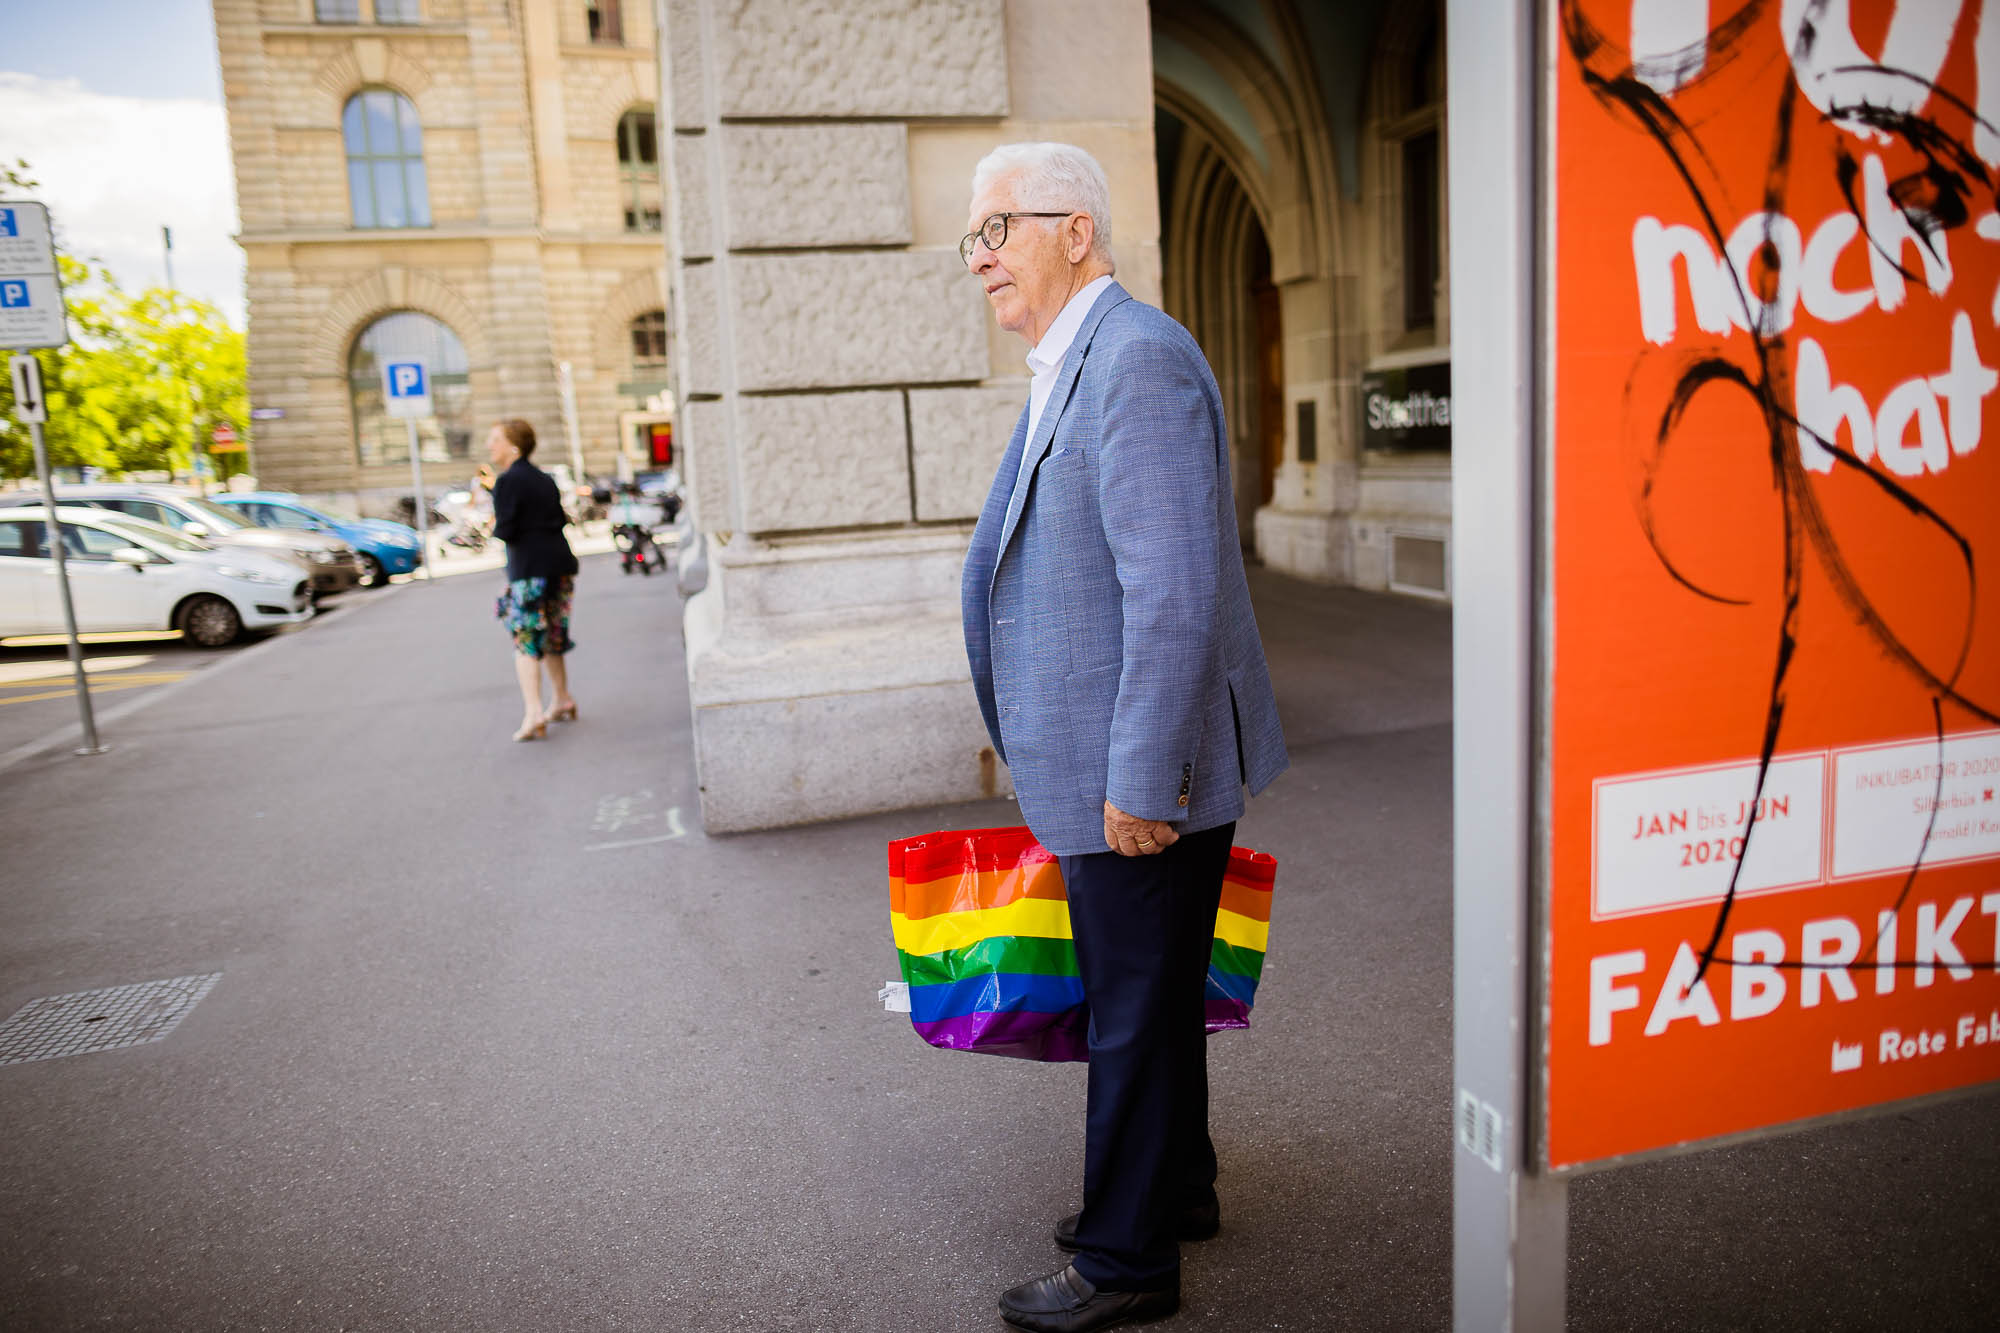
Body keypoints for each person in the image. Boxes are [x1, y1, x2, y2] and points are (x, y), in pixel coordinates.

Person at [958, 142, 1288, 1332]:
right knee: (1146, 993)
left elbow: (1171, 594)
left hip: (1134, 769)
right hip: (1102, 759)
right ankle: (1174, 1191)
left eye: (997, 230)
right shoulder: (1076, 360)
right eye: (974, 240)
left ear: (1075, 230)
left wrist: (1141, 777)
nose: (981, 259)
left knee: (1132, 1009)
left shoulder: (1133, 359)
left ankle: (1124, 1260)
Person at [488, 419, 580, 741]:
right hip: (560, 565)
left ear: (514, 445)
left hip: (528, 570)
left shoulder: (507, 481)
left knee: (525, 640)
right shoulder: (545, 478)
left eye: (496, 439)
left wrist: (495, 522)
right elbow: (558, 519)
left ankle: (533, 713)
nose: (490, 446)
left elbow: (506, 529)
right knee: (554, 635)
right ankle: (562, 698)